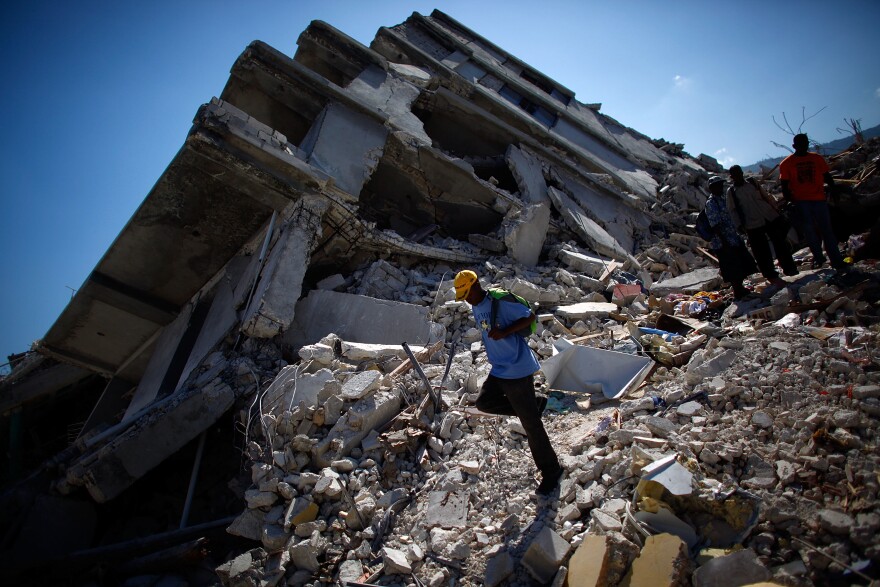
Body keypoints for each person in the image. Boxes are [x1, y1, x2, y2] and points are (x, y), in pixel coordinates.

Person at [453, 270, 563, 497]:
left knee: (531, 425)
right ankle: (536, 405)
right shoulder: (475, 304)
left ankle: (552, 472)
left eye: (466, 294)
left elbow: (530, 317)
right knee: (484, 402)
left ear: (475, 286)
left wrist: (505, 332)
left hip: (517, 369)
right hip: (500, 368)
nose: (466, 299)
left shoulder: (499, 303)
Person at [779, 133, 846, 271]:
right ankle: (819, 258)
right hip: (801, 201)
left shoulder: (817, 159)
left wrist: (834, 190)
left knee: (826, 230)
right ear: (794, 146)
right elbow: (784, 185)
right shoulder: (786, 164)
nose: (804, 146)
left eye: (805, 143)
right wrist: (790, 201)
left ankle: (836, 260)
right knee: (810, 232)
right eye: (800, 144)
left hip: (819, 199)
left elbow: (827, 176)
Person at [727, 165, 798, 287]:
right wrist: (739, 225)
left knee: (780, 243)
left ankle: (789, 268)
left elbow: (765, 196)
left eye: (739, 173)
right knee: (761, 251)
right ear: (732, 177)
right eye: (735, 174)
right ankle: (771, 275)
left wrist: (775, 209)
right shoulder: (732, 192)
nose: (738, 176)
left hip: (768, 216)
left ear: (742, 173)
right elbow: (732, 210)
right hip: (752, 222)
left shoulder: (752, 182)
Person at [704, 175, 758, 299]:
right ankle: (737, 290)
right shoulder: (711, 203)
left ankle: (741, 288)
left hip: (733, 237)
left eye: (721, 185)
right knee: (732, 266)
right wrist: (724, 241)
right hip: (723, 242)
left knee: (741, 262)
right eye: (718, 185)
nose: (721, 187)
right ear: (712, 188)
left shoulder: (724, 199)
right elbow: (715, 225)